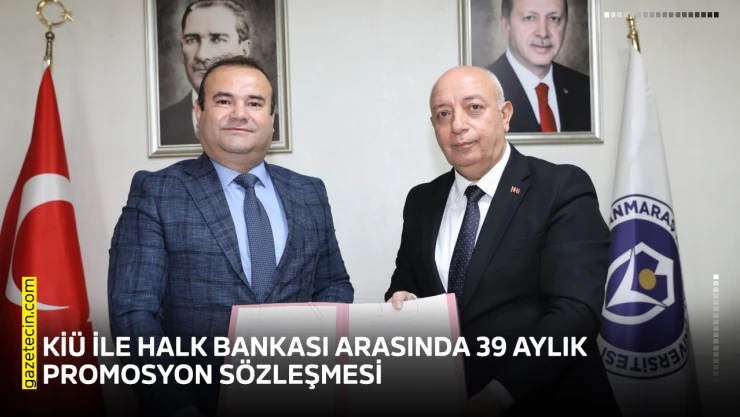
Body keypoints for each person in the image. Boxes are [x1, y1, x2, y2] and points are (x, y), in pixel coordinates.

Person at [109, 55, 353, 417]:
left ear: (271, 118)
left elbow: (333, 284)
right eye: (224, 101)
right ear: (199, 112)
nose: (240, 114)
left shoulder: (309, 192)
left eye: (254, 103)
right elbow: (134, 313)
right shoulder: (157, 192)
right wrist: (176, 405)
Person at [385, 66, 619, 416]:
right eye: (443, 114)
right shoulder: (421, 201)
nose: (458, 125)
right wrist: (403, 299)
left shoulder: (561, 188)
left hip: (548, 399)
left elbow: (575, 314)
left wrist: (498, 395)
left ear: (505, 115)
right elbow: (407, 280)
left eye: (474, 108)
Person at [159, 0, 280, 145]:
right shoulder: (161, 123)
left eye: (217, 39)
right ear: (181, 50)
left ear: (244, 50)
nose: (202, 55)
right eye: (192, 40)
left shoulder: (277, 126)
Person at [486, 0, 591, 133]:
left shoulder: (586, 89)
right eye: (530, 18)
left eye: (554, 18)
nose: (543, 33)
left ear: (566, 24)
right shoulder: (483, 90)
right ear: (506, 25)